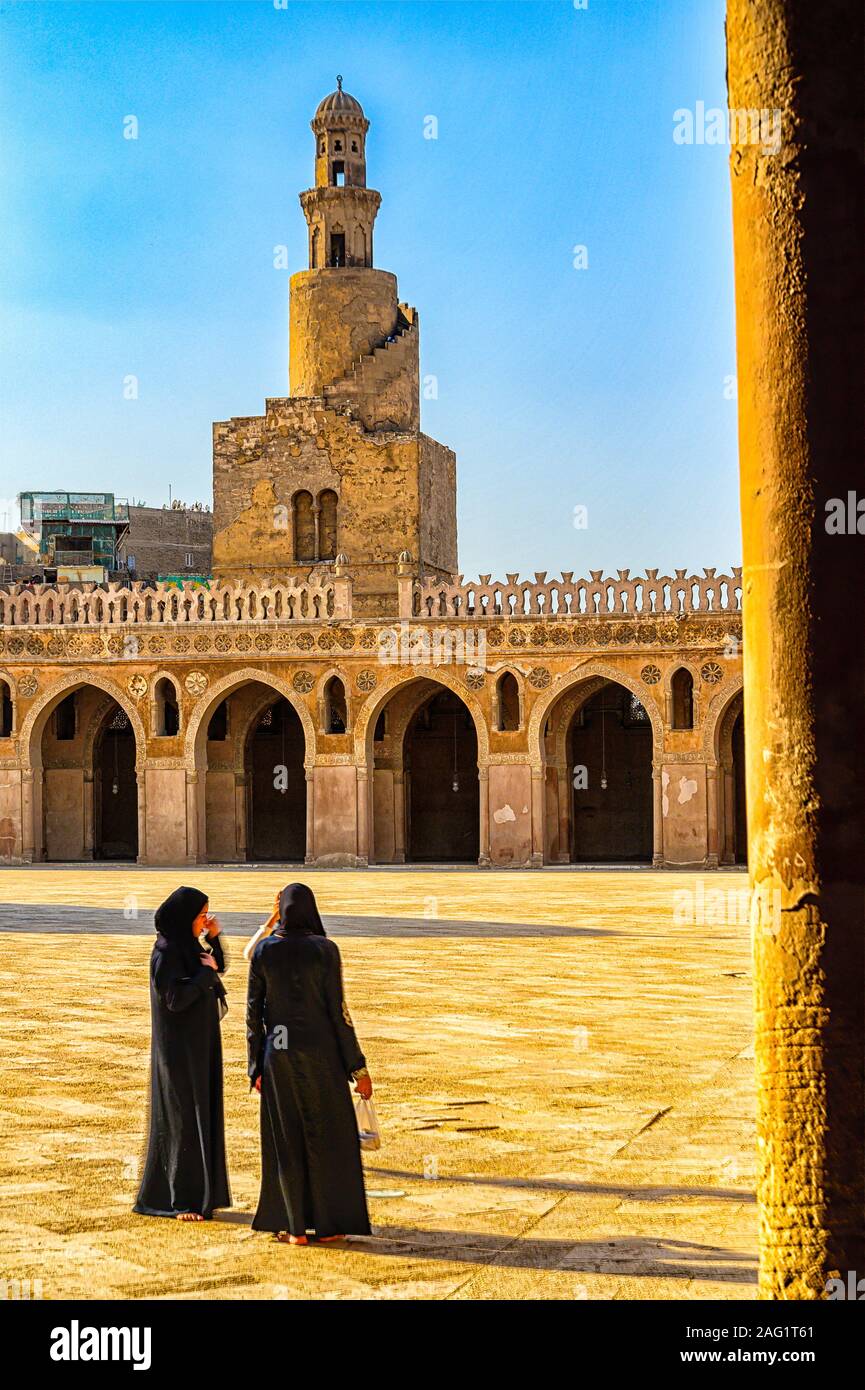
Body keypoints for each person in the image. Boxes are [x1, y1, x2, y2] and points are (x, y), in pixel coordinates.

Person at [246, 882, 372, 1245]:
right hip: (322, 1056)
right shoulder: (325, 951)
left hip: (278, 1054)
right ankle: (330, 1224)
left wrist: (255, 1066)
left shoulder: (265, 952)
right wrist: (357, 1067)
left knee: (286, 1139)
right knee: (328, 1137)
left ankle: (294, 1227)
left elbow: (254, 1014)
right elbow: (339, 1013)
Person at [134, 886, 231, 1222]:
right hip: (179, 1052)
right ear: (185, 917)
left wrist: (215, 941)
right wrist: (205, 974)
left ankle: (202, 1194)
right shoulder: (165, 953)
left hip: (199, 1045)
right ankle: (180, 1200)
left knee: (199, 1115)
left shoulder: (186, 946)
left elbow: (216, 968)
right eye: (202, 915)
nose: (207, 920)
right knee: (181, 1120)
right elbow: (175, 999)